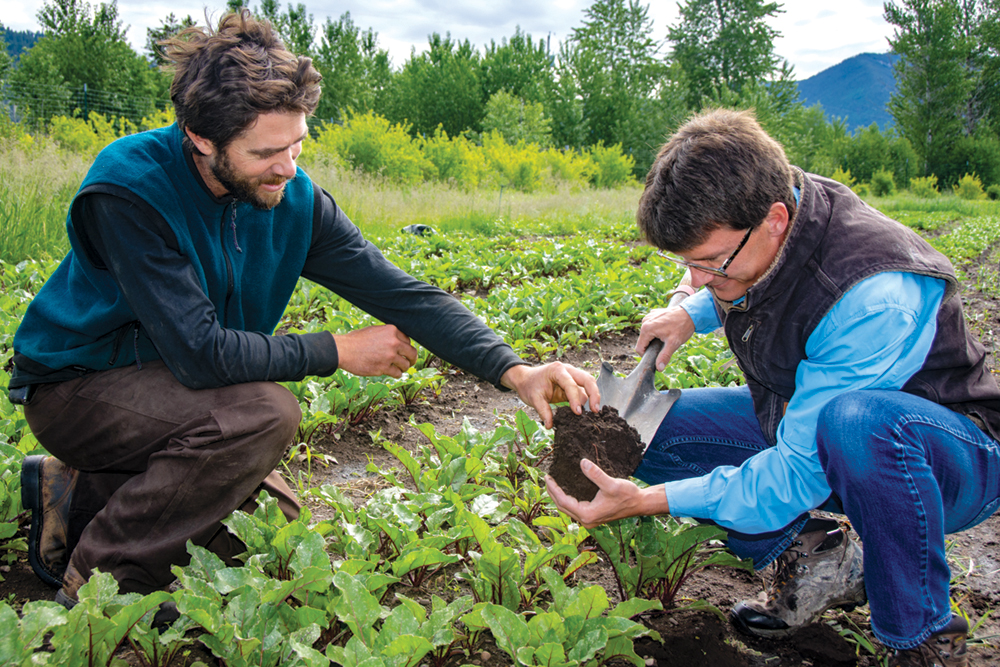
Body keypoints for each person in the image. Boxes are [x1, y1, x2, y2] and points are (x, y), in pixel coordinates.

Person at [12, 10, 599, 610]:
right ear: (201, 139)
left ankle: (73, 497)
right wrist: (337, 349)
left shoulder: (292, 199)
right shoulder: (131, 188)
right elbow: (199, 353)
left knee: (272, 520)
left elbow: (400, 294)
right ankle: (99, 586)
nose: (288, 169)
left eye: (297, 144)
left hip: (164, 390)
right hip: (80, 387)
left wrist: (515, 370)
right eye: (267, 152)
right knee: (262, 414)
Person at [546, 108, 1000, 667]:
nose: (699, 278)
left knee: (858, 424)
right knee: (647, 433)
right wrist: (690, 313)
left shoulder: (873, 295)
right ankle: (817, 559)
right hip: (814, 432)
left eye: (712, 262)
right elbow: (757, 277)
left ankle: (920, 635)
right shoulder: (766, 205)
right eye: (689, 264)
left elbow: (797, 472)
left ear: (776, 220)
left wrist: (646, 501)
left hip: (946, 456)